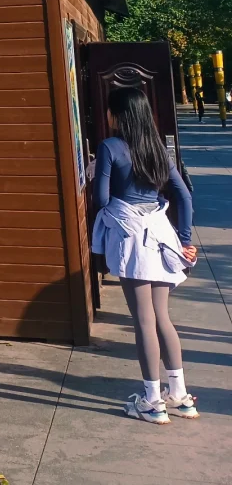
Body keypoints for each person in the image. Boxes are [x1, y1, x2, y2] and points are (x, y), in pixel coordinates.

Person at [91, 85, 198, 423]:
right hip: (161, 232)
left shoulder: (110, 147)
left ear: (117, 115)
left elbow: (102, 199)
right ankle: (179, 396)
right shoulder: (156, 149)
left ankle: (152, 400)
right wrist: (182, 240)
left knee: (143, 320)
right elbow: (184, 196)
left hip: (132, 238)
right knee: (162, 318)